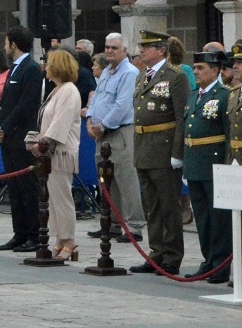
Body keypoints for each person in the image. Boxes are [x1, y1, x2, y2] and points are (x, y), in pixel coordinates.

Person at [124, 30, 189, 275]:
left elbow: (180, 117)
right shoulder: (142, 77)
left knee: (168, 204)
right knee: (152, 204)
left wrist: (177, 152)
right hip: (144, 146)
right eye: (141, 46)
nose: (142, 50)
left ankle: (172, 255)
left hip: (163, 148)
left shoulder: (175, 77)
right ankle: (157, 252)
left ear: (161, 51)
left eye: (147, 47)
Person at [86, 32, 145, 241]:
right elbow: (96, 98)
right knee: (106, 181)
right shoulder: (106, 72)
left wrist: (103, 125)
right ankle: (110, 223)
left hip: (120, 132)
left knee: (126, 180)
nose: (109, 51)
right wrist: (90, 119)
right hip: (101, 134)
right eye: (107, 47)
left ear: (125, 51)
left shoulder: (129, 73)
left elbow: (123, 105)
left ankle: (135, 227)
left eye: (114, 48)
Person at [181, 50, 233, 283]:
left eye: (201, 68)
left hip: (214, 163)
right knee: (202, 217)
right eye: (195, 68)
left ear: (215, 70)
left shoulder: (224, 96)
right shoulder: (194, 96)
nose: (196, 72)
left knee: (218, 218)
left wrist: (226, 165)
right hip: (194, 163)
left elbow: (229, 133)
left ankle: (220, 264)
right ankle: (208, 260)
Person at [0, 25, 43, 252]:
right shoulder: (14, 68)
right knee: (14, 187)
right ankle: (19, 232)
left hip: (21, 136)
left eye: (6, 42)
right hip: (8, 136)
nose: (5, 47)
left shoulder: (30, 69)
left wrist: (6, 126)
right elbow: (5, 101)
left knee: (27, 187)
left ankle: (32, 234)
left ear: (13, 44)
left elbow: (25, 104)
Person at [29, 49, 82, 261]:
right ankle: (60, 238)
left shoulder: (69, 90)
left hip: (60, 151)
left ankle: (69, 239)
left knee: (62, 198)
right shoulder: (56, 90)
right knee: (51, 200)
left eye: (49, 63)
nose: (45, 67)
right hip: (49, 153)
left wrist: (44, 142)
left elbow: (61, 121)